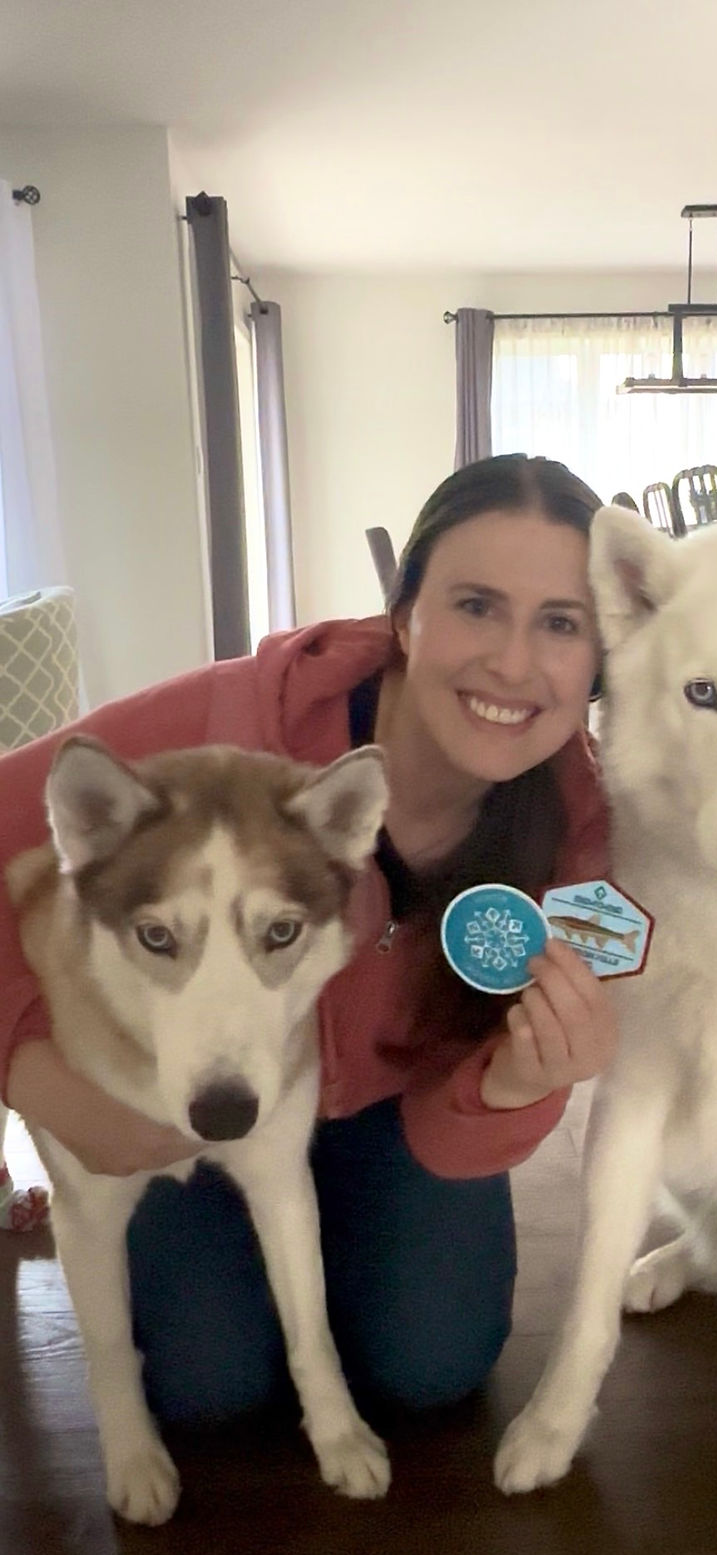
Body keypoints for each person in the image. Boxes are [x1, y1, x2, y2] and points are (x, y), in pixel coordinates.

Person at [0, 453, 614, 1425]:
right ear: (402, 614)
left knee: (430, 1367)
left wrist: (521, 1085)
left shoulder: (587, 840)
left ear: (600, 655)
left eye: (559, 624)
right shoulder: (223, 724)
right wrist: (36, 1079)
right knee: (208, 1392)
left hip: (405, 1107)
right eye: (473, 605)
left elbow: (503, 1103)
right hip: (191, 1098)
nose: (510, 661)